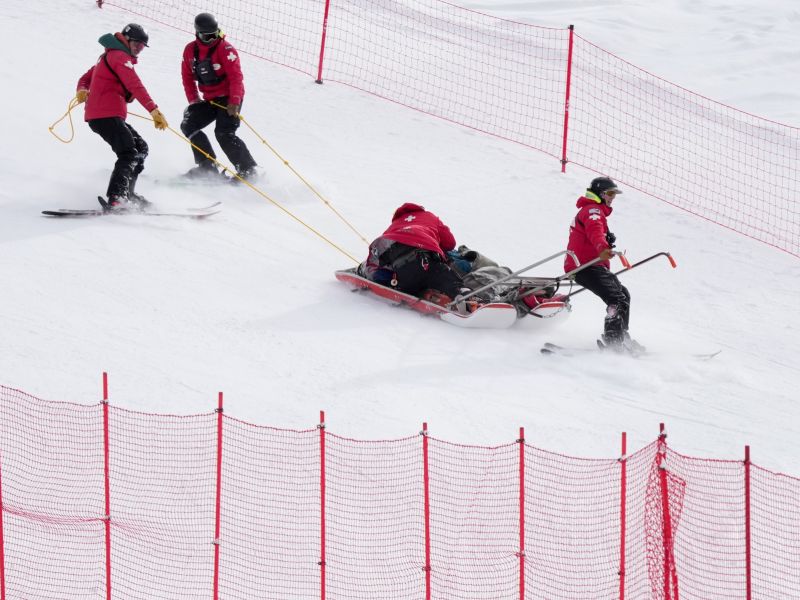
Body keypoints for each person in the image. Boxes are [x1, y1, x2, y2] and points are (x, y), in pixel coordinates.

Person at [76, 23, 168, 209]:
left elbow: (85, 78)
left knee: (140, 148)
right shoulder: (119, 56)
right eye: (136, 45)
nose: (137, 50)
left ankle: (127, 193)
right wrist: (153, 110)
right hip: (104, 115)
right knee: (128, 153)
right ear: (125, 39)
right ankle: (117, 198)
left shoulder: (109, 56)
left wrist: (83, 88)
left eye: (141, 48)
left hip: (108, 115)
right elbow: (135, 85)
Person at [565, 176, 642, 352]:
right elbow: (594, 232)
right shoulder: (593, 211)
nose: (612, 198)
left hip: (593, 265)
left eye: (614, 194)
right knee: (615, 298)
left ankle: (621, 335)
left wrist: (606, 240)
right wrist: (602, 246)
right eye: (609, 193)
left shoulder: (595, 211)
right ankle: (613, 341)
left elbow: (595, 232)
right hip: (584, 266)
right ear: (599, 194)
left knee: (623, 293)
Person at [180, 13, 258, 181]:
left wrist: (235, 101)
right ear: (198, 33)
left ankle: (248, 170)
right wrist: (193, 99)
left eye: (213, 35)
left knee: (223, 132)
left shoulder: (225, 49)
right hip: (210, 100)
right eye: (205, 36)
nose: (210, 39)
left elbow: (236, 77)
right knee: (189, 124)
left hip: (229, 98)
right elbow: (187, 77)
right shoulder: (190, 51)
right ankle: (207, 166)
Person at [359, 203, 470, 308]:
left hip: (403, 272)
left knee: (410, 285)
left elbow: (381, 257)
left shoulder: (394, 226)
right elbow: (450, 243)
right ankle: (464, 296)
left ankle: (423, 293)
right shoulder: (429, 216)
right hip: (429, 263)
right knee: (445, 277)